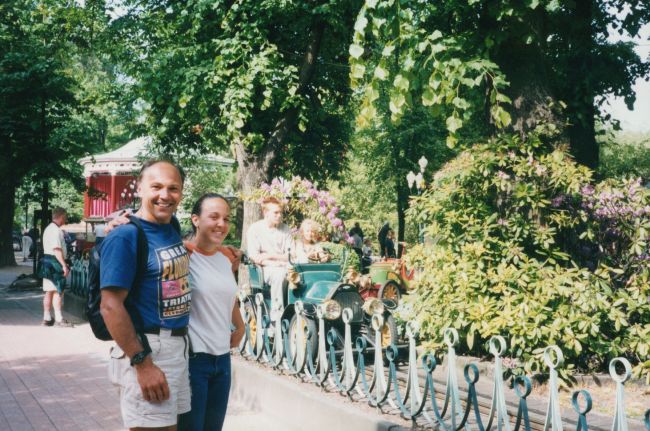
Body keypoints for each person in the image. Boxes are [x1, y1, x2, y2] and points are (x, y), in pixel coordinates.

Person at [100, 159, 191, 431]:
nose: (165, 195)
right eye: (156, 186)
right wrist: (142, 364)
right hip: (148, 350)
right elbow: (110, 306)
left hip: (176, 350)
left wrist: (222, 252)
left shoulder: (170, 227)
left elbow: (185, 250)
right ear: (139, 188)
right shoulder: (125, 236)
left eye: (173, 188)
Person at [177, 193, 245, 431]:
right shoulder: (183, 254)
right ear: (196, 219)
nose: (221, 224)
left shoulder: (227, 257)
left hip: (223, 359)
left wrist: (241, 325)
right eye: (214, 217)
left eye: (226, 219)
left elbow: (226, 296)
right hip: (194, 359)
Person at [246, 197, 292, 324]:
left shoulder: (285, 229)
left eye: (280, 212)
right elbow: (255, 257)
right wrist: (275, 261)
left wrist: (268, 255)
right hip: (264, 269)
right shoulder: (255, 229)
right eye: (276, 213)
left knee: (299, 275)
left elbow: (290, 256)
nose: (279, 215)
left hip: (284, 265)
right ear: (266, 213)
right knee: (279, 274)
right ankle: (276, 318)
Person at [40, 207, 73, 327]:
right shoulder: (56, 231)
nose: (66, 219)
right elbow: (57, 249)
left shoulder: (48, 229)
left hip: (47, 261)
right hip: (55, 262)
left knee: (48, 291)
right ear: (61, 216)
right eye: (65, 216)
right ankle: (59, 318)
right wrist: (64, 265)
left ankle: (47, 317)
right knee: (59, 291)